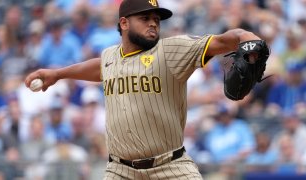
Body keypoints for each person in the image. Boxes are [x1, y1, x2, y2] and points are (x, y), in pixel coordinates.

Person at [25, 0, 265, 179]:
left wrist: (246, 36)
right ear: (124, 22)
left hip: (171, 167)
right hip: (120, 170)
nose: (153, 23)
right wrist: (58, 74)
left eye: (156, 19)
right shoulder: (110, 56)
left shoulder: (172, 50)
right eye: (145, 17)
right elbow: (101, 68)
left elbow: (223, 41)